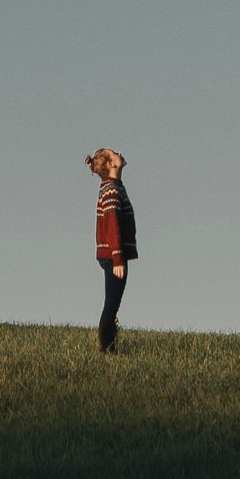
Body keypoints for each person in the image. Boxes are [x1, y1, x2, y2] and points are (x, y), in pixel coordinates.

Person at [86, 146, 136, 351]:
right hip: (113, 255)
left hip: (112, 254)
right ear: (110, 164)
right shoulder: (112, 190)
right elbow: (112, 223)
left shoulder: (112, 186)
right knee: (111, 303)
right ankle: (106, 349)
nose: (120, 153)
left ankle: (110, 345)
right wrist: (117, 257)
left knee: (113, 301)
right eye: (114, 153)